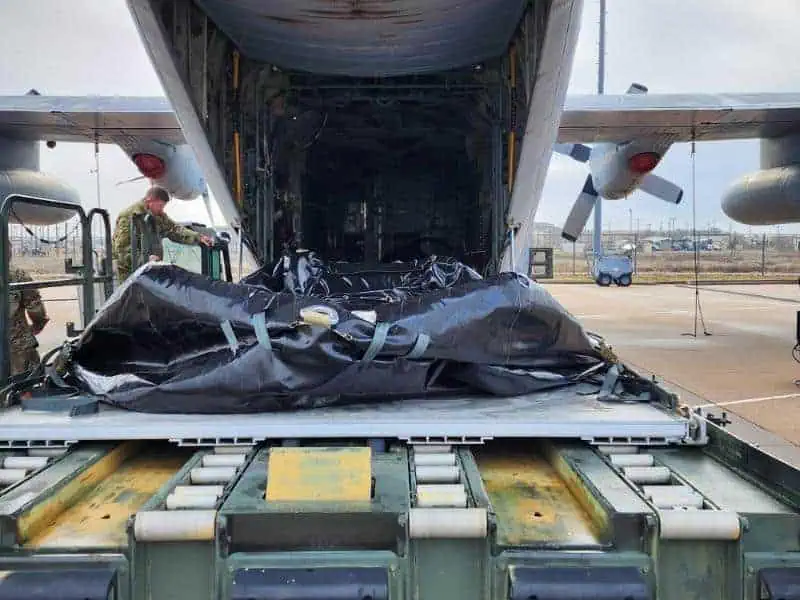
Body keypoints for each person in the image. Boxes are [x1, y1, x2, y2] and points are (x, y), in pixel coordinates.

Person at [112, 186, 213, 281]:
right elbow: (122, 250)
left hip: (150, 271)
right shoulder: (129, 217)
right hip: (130, 274)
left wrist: (198, 237)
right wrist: (145, 259)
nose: (162, 209)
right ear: (149, 201)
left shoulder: (158, 216)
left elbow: (174, 229)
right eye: (160, 205)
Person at [8, 267, 49, 379]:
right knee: (24, 389)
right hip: (18, 350)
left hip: (17, 350)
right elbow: (35, 308)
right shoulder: (18, 276)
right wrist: (38, 324)